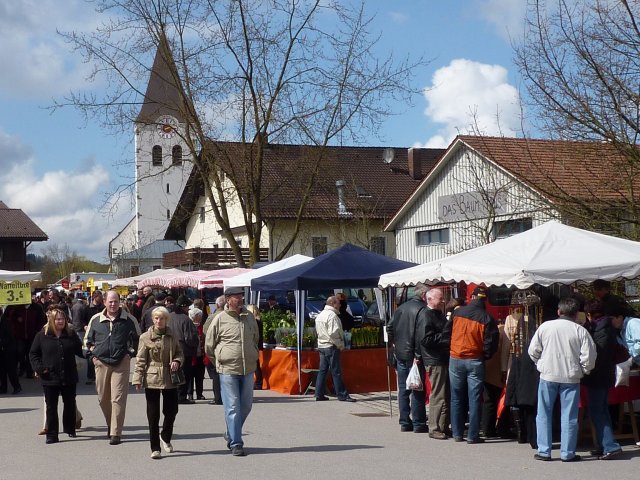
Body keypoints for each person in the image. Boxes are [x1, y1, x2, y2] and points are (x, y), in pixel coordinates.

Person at [528, 296, 596, 462]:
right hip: (571, 377)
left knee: (543, 413)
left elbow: (533, 350)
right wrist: (584, 370)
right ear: (575, 314)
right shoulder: (580, 331)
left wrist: (540, 364)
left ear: (559, 311)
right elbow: (589, 356)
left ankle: (544, 451)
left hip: (548, 375)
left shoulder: (545, 327)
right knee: (569, 416)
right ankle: (568, 453)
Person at [204, 286, 260, 456]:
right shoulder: (219, 319)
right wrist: (219, 361)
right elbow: (209, 345)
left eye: (241, 297)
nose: (241, 300)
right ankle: (236, 443)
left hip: (248, 368)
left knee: (246, 406)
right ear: (228, 299)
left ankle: (230, 433)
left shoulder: (249, 317)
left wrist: (253, 354)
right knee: (233, 407)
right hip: (228, 369)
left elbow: (255, 339)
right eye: (237, 297)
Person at [443, 286, 499, 444]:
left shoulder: (457, 312)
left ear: (472, 298)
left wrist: (452, 349)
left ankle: (457, 433)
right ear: (485, 300)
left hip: (455, 358)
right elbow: (491, 343)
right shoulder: (487, 318)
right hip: (475, 359)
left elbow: (446, 334)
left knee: (456, 397)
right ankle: (473, 435)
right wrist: (484, 356)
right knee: (475, 398)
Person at [84, 290, 141, 445]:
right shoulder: (96, 320)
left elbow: (138, 340)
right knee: (103, 398)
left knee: (118, 398)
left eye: (115, 301)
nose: (113, 304)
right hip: (101, 362)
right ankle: (111, 423)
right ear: (104, 302)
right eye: (110, 301)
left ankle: (116, 432)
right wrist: (92, 356)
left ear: (119, 302)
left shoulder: (129, 319)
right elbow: (86, 341)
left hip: (121, 362)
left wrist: (130, 353)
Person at [132, 306, 184, 459]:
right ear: (152, 319)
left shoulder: (172, 335)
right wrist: (137, 378)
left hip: (170, 376)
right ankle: (155, 448)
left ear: (166, 320)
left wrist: (177, 361)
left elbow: (180, 353)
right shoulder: (145, 337)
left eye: (162, 318)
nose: (159, 321)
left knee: (171, 411)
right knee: (153, 415)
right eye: (156, 318)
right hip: (152, 376)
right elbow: (140, 360)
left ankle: (165, 436)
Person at [29, 306, 84, 444]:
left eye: (63, 319)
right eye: (58, 319)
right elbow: (33, 354)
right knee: (51, 406)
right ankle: (52, 434)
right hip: (50, 377)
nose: (61, 321)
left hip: (69, 375)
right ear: (52, 320)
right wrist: (40, 368)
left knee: (70, 404)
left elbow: (80, 350)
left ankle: (70, 428)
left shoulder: (70, 334)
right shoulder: (42, 335)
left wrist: (93, 351)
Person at [582, 299, 624, 460]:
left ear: (589, 314)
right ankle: (602, 444)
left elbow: (599, 356)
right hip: (603, 375)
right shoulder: (604, 327)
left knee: (597, 411)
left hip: (597, 376)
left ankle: (610, 446)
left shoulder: (600, 329)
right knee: (601, 410)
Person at [387, 283, 429, 433]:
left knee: (404, 389)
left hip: (400, 354)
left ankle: (404, 421)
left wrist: (396, 343)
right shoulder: (422, 310)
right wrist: (418, 354)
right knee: (417, 388)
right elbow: (421, 335)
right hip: (414, 356)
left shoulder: (401, 308)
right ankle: (418, 423)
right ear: (424, 296)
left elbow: (389, 327)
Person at [419, 287, 450, 439]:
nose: (443, 300)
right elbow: (426, 340)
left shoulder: (437, 313)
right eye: (440, 298)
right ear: (429, 299)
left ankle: (443, 426)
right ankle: (435, 427)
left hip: (440, 358)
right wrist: (445, 336)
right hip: (434, 359)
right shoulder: (427, 315)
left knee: (444, 394)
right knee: (438, 394)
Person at [314, 296, 356, 403]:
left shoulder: (320, 315)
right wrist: (340, 344)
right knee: (336, 371)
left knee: (323, 371)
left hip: (322, 345)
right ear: (332, 303)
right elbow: (333, 333)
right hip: (331, 346)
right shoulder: (332, 316)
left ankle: (319, 394)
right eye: (338, 303)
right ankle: (342, 395)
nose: (340, 305)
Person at [171, 295, 199, 404]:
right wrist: (195, 345)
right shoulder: (186, 319)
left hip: (170, 350)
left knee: (172, 374)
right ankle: (181, 396)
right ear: (184, 307)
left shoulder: (169, 317)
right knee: (184, 374)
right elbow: (190, 338)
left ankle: (173, 396)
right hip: (184, 351)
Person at [203, 295, 225, 405]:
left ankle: (218, 398)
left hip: (216, 348)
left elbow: (205, 331)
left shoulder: (213, 316)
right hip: (227, 350)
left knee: (217, 375)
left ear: (217, 305)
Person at [70, 292, 94, 384]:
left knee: (79, 345)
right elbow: (84, 318)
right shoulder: (84, 307)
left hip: (75, 327)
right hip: (82, 328)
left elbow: (72, 316)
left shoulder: (74, 306)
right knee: (83, 346)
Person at [0, 306, 22, 394]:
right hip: (1, 349)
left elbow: (9, 336)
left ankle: (17, 386)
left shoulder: (5, 322)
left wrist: (1, 343)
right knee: (1, 370)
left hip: (8, 349)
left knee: (10, 369)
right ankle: (3, 387)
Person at [188, 307, 207, 401]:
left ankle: (200, 393)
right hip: (191, 355)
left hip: (200, 354)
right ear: (195, 316)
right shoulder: (189, 325)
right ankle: (190, 394)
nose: (201, 317)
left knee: (200, 376)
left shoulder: (201, 326)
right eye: (200, 316)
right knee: (190, 376)